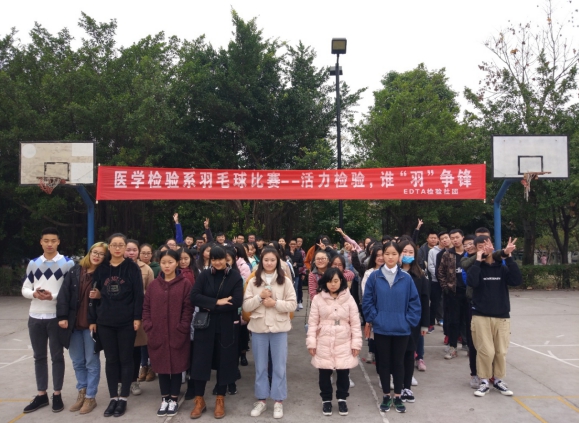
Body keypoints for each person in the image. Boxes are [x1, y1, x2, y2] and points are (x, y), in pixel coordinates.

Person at [88, 233, 144, 418]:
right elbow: (94, 295)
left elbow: (138, 294)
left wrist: (137, 317)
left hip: (126, 321)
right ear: (109, 247)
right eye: (114, 245)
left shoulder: (131, 267)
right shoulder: (102, 268)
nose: (118, 248)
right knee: (111, 359)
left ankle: (123, 398)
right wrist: (93, 320)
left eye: (121, 245)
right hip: (105, 321)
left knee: (126, 359)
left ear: (125, 247)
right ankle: (113, 397)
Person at [362, 241, 421, 414]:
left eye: (394, 254)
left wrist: (407, 321)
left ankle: (398, 396)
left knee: (399, 363)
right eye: (386, 253)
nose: (390, 257)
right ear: (382, 255)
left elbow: (415, 302)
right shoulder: (374, 277)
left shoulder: (406, 278)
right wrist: (374, 318)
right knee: (384, 363)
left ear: (399, 256)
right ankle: (386, 395)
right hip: (381, 328)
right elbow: (367, 301)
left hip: (402, 329)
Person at [22, 227, 74, 414]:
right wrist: (34, 294)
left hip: (56, 317)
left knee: (57, 356)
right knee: (39, 357)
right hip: (35, 315)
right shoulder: (33, 263)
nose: (50, 244)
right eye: (46, 241)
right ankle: (41, 394)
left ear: (58, 242)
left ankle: (57, 394)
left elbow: (70, 290)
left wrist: (53, 297)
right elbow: (25, 288)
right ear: (41, 242)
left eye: (53, 240)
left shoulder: (67, 263)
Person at [189, 246, 243, 419]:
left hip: (226, 326)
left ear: (226, 259)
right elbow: (194, 296)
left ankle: (220, 398)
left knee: (224, 362)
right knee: (200, 362)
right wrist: (217, 302)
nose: (217, 262)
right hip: (205, 325)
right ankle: (199, 400)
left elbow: (236, 301)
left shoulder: (234, 276)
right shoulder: (204, 275)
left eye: (220, 259)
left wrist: (209, 305)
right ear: (210, 260)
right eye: (214, 259)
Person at [243, 247, 297, 419]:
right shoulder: (253, 281)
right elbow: (246, 306)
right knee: (260, 366)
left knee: (279, 366)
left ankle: (278, 401)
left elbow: (292, 304)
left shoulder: (285, 281)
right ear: (261, 261)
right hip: (258, 328)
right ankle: (261, 400)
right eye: (266, 260)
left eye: (272, 260)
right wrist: (259, 297)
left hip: (279, 328)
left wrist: (275, 303)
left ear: (277, 261)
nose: (269, 263)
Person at [57, 242, 108, 414]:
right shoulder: (75, 271)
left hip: (91, 324)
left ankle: (90, 397)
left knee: (91, 362)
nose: (97, 256)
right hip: (73, 324)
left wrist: (101, 295)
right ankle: (82, 392)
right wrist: (62, 316)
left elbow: (111, 298)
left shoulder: (104, 274)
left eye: (101, 254)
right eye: (95, 252)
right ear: (89, 252)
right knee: (78, 361)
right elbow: (64, 294)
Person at [143, 249, 194, 417]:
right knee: (161, 367)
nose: (167, 266)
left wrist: (183, 326)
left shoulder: (185, 284)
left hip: (177, 332)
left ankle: (174, 399)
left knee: (177, 366)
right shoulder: (154, 285)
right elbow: (146, 307)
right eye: (163, 262)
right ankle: (164, 398)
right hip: (157, 332)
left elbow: (188, 308)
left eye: (170, 262)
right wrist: (148, 325)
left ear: (177, 263)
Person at [467, 236, 520, 397]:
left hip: (502, 315)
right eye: (480, 246)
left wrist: (508, 256)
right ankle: (483, 381)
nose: (485, 248)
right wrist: (478, 260)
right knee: (486, 351)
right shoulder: (476, 267)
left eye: (487, 244)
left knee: (500, 351)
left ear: (492, 246)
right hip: (481, 315)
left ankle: (498, 380)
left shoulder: (502, 268)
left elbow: (516, 280)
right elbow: (472, 282)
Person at [306, 268, 362, 416]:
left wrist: (356, 344)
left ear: (341, 281)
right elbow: (312, 323)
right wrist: (311, 342)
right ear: (325, 282)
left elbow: (355, 324)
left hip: (344, 340)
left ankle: (342, 399)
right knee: (324, 373)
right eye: (330, 281)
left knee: (343, 372)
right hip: (324, 340)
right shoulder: (318, 299)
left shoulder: (349, 299)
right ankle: (326, 400)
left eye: (336, 281)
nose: (333, 284)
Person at [398, 240, 430, 400]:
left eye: (411, 252)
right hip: (395, 320)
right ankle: (396, 379)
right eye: (404, 251)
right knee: (396, 353)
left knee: (410, 352)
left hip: (413, 321)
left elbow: (425, 300)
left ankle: (407, 383)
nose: (407, 255)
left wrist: (425, 324)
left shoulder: (420, 275)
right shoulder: (392, 273)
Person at [126, 239, 155, 395]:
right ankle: (120, 382)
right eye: (128, 249)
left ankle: (133, 381)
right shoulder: (113, 267)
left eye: (134, 250)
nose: (131, 253)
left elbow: (151, 294)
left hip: (138, 315)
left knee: (135, 350)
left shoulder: (146, 269)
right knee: (120, 351)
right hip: (118, 315)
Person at [438, 229, 468, 359]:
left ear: (463, 237)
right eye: (452, 238)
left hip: (468, 292)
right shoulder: (447, 254)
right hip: (453, 293)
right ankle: (452, 347)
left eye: (457, 237)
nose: (455, 240)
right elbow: (440, 272)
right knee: (453, 321)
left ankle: (468, 345)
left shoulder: (469, 253)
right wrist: (445, 287)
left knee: (468, 321)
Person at [427, 231, 451, 333]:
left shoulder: (453, 251)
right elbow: (431, 266)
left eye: (446, 238)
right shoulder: (433, 252)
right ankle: (430, 323)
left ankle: (446, 324)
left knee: (448, 303)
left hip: (450, 282)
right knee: (435, 302)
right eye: (442, 239)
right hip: (436, 281)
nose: (444, 240)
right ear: (439, 240)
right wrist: (440, 277)